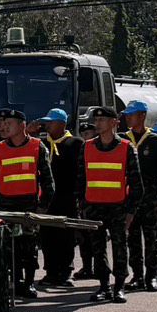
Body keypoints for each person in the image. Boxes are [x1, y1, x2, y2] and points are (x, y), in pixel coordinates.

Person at [78, 106, 143, 303]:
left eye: (102, 120)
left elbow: (137, 184)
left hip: (118, 207)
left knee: (119, 247)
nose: (97, 124)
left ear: (114, 123)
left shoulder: (126, 147)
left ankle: (119, 286)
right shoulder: (87, 146)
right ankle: (104, 286)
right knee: (98, 249)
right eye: (96, 120)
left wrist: (130, 212)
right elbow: (80, 179)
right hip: (93, 207)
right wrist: (82, 205)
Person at [0, 108, 54, 300]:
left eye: (9, 123)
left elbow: (48, 181)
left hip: (28, 205)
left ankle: (29, 283)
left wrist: (42, 207)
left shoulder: (37, 146)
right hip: (6, 205)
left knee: (29, 246)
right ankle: (15, 281)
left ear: (22, 125)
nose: (5, 127)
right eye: (4, 123)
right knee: (11, 246)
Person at [123, 101, 157, 293]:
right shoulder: (123, 140)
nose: (127, 118)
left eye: (131, 114)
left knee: (152, 238)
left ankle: (152, 275)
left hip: (150, 198)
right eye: (127, 114)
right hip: (130, 198)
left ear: (142, 116)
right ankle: (137, 276)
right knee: (132, 239)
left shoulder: (156, 141)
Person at [37, 109, 83, 289]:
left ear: (62, 124)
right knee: (47, 235)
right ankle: (51, 271)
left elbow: (80, 172)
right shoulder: (42, 143)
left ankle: (66, 271)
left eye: (51, 122)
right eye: (47, 122)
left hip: (67, 197)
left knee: (66, 236)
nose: (47, 125)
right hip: (47, 198)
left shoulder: (75, 143)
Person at [73, 120, 99, 280]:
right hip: (84, 201)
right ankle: (87, 267)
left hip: (98, 200)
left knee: (97, 238)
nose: (84, 137)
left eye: (87, 134)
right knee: (84, 238)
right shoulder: (82, 150)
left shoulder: (99, 149)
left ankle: (99, 268)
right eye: (82, 134)